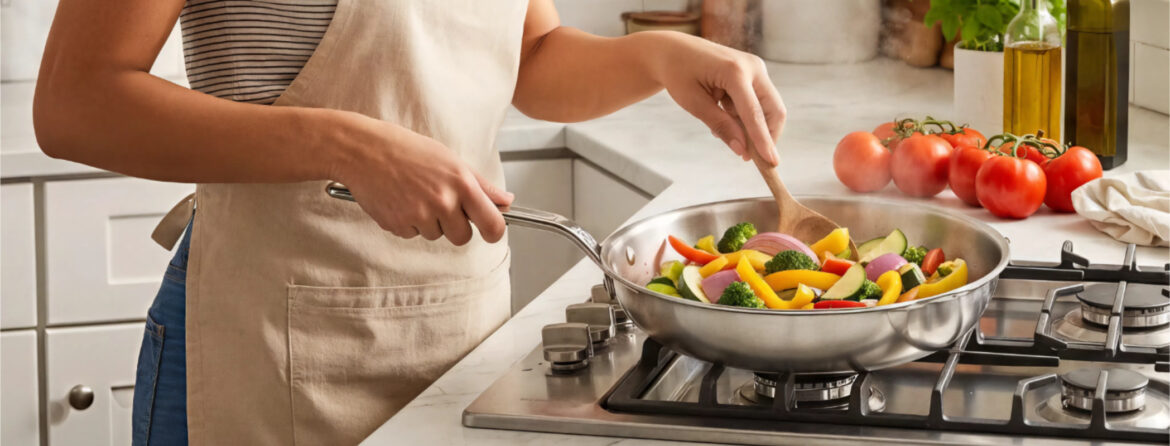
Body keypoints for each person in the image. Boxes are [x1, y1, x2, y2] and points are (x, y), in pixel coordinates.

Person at [33, 1, 785, 444]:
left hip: (461, 338)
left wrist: (655, 56)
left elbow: (529, 56)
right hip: (266, 345)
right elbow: (75, 103)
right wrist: (346, 143)